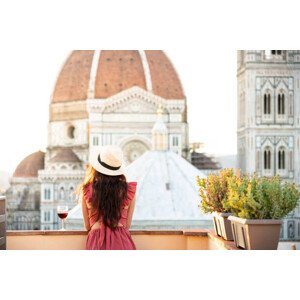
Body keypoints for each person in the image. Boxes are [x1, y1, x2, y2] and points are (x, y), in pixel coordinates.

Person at [80, 145, 137, 250]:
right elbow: (127, 225)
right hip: (122, 241)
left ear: (97, 168)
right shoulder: (128, 190)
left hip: (96, 242)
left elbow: (87, 226)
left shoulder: (86, 189)